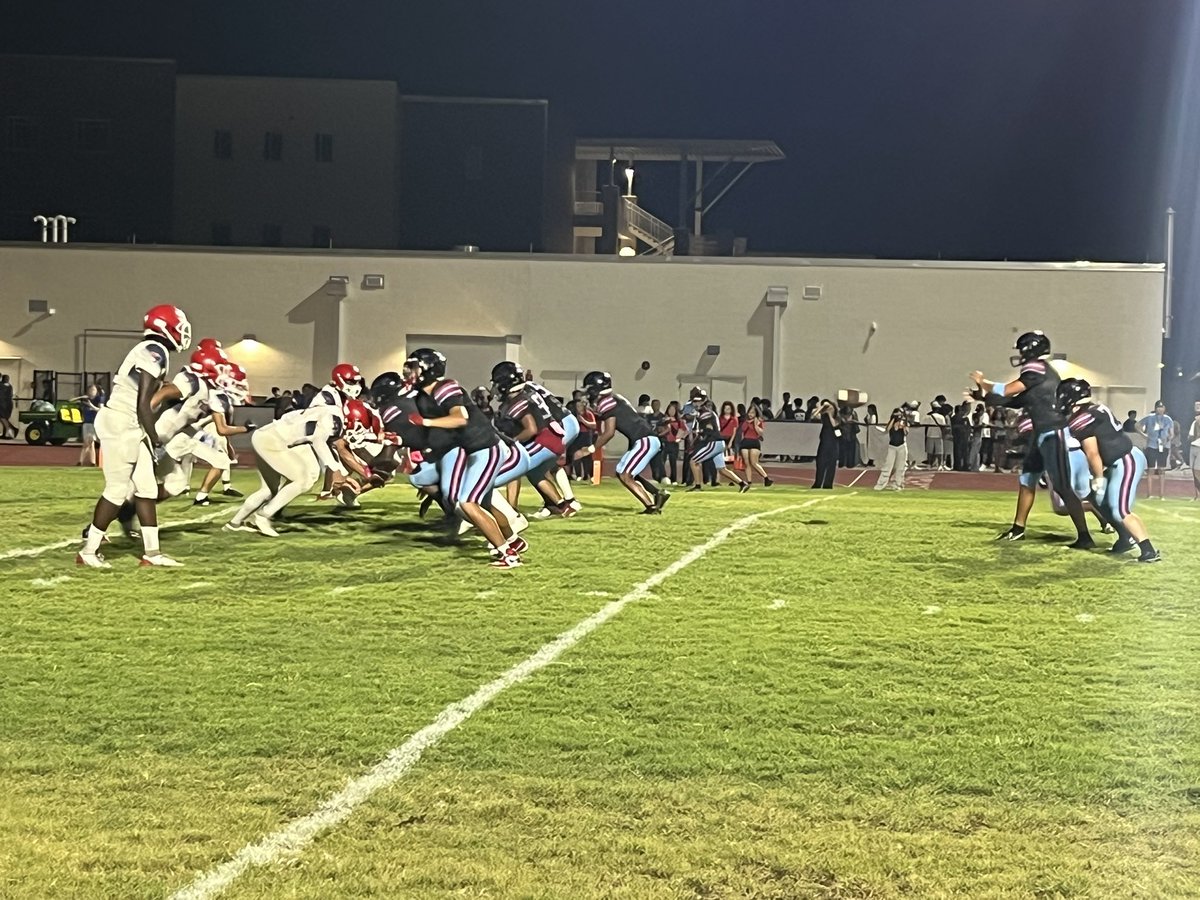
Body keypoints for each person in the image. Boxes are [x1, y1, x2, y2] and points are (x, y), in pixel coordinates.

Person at [78, 304, 192, 569]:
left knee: (147, 489)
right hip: (123, 423)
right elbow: (144, 404)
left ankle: (152, 553)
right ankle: (88, 551)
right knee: (117, 490)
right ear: (166, 327)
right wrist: (156, 439)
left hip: (128, 423)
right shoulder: (155, 350)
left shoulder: (152, 350)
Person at [969, 330, 1095, 548]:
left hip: (1052, 432)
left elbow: (1007, 390)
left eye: (1022, 349)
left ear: (1030, 350)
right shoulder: (1042, 373)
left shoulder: (1036, 368)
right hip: (1041, 433)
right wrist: (983, 396)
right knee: (1027, 481)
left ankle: (1085, 536)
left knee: (1064, 488)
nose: (1020, 354)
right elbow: (1016, 402)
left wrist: (984, 382)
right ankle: (1018, 529)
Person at [408, 349, 522, 568]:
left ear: (428, 370)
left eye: (414, 367)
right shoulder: (423, 396)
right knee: (481, 503)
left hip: (486, 450)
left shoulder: (445, 387)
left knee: (467, 503)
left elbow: (459, 418)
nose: (410, 372)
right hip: (471, 451)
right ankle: (512, 541)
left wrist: (425, 423)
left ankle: (507, 554)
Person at [1058, 379, 1160, 562]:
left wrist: (1098, 478)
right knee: (1097, 499)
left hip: (1127, 459)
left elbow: (1092, 453)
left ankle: (1148, 550)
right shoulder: (1096, 408)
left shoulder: (1082, 418)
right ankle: (1124, 538)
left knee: (1120, 509)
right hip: (1117, 461)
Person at [585, 370, 668, 513]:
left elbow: (609, 433)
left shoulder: (607, 402)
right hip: (644, 439)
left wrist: (591, 448)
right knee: (621, 471)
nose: (588, 393)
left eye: (589, 389)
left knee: (625, 474)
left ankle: (651, 507)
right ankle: (657, 493)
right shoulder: (615, 398)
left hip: (644, 440)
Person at [687, 393, 750, 492]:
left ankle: (698, 486)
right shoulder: (703, 413)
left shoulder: (706, 413)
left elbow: (707, 430)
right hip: (717, 442)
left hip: (714, 442)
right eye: (694, 401)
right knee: (722, 469)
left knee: (693, 461)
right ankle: (743, 484)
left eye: (698, 401)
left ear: (703, 401)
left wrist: (697, 434)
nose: (696, 404)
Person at [1137, 400, 1173, 500]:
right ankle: (1149, 494)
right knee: (1151, 469)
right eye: (1158, 407)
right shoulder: (1150, 417)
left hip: (1163, 446)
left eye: (1161, 407)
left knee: (1162, 470)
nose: (1160, 409)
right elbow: (1137, 425)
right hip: (1152, 445)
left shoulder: (1168, 419)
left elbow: (1171, 433)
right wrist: (1144, 435)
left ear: (1164, 409)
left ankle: (1161, 494)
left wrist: (1168, 439)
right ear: (1155, 408)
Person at [874, 407, 909, 490]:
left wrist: (903, 424)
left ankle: (898, 484)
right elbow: (887, 429)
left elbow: (906, 432)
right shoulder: (892, 421)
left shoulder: (904, 422)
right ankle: (881, 484)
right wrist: (894, 419)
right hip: (892, 447)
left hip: (901, 446)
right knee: (888, 466)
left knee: (901, 466)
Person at [739, 402, 772, 485]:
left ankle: (766, 478)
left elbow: (760, 433)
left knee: (754, 462)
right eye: (749, 412)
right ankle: (749, 481)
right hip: (745, 442)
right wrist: (747, 422)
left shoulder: (759, 421)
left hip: (754, 442)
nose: (750, 414)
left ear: (756, 413)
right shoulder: (745, 421)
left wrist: (755, 425)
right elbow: (743, 430)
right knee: (747, 463)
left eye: (753, 413)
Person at [812, 399, 840, 489]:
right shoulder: (823, 416)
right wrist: (821, 407)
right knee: (820, 462)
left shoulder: (837, 418)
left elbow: (834, 425)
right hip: (824, 440)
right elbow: (814, 416)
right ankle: (818, 483)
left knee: (831, 463)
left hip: (832, 441)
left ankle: (828, 484)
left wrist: (829, 414)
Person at [77, 383, 104, 466]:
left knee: (88, 442)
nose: (92, 392)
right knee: (89, 443)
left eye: (94, 390)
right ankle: (92, 462)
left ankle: (81, 461)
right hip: (86, 423)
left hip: (93, 423)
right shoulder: (85, 400)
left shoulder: (98, 400)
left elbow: (100, 410)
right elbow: (72, 400)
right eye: (90, 390)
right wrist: (81, 398)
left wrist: (91, 405)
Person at [660, 401, 683, 483]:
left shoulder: (679, 421)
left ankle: (674, 479)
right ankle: (662, 477)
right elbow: (661, 428)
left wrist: (679, 437)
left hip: (674, 443)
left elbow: (683, 430)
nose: (671, 411)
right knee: (662, 460)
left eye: (673, 410)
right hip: (665, 442)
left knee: (673, 462)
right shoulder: (664, 419)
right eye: (670, 409)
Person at [0, 373, 15, 439]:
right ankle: (5, 433)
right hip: (9, 404)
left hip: (2, 404)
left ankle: (9, 431)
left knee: (2, 418)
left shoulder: (1, 385)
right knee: (5, 418)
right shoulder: (10, 386)